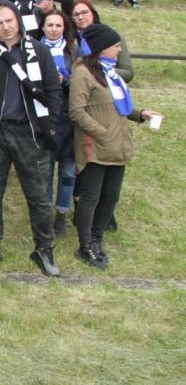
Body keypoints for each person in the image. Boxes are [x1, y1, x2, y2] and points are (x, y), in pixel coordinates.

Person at [0, 2, 62, 278]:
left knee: (38, 196)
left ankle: (44, 248)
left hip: (30, 133)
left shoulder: (38, 51)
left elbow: (53, 91)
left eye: (9, 20)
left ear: (18, 20)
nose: (5, 26)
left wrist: (51, 125)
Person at [68, 25, 162, 268]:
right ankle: (85, 245)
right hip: (96, 147)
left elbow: (119, 106)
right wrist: (102, 133)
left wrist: (140, 113)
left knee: (111, 197)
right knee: (90, 198)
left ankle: (97, 239)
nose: (120, 49)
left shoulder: (111, 73)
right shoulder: (82, 73)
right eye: (116, 45)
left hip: (118, 145)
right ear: (102, 48)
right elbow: (76, 111)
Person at [40, 9, 78, 238]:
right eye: (50, 25)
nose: (54, 29)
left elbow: (83, 82)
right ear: (43, 27)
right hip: (45, 117)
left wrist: (65, 81)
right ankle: (44, 215)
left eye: (58, 25)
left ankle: (62, 214)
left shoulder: (74, 51)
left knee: (68, 172)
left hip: (69, 117)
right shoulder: (34, 49)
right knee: (45, 171)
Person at [70, 0, 134, 83]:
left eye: (84, 12)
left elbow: (128, 72)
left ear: (93, 13)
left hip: (109, 86)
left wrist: (98, 72)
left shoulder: (113, 37)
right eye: (76, 15)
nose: (80, 17)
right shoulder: (69, 41)